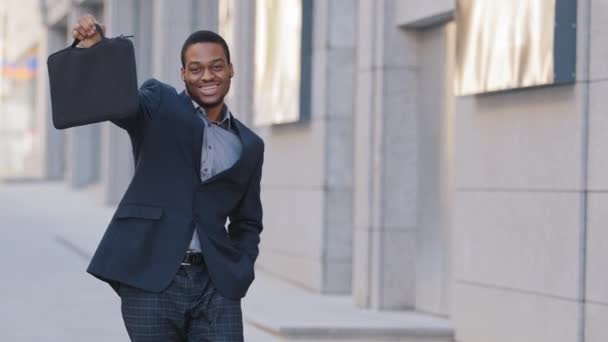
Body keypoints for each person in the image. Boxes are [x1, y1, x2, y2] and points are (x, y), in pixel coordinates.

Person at [71, 14, 264, 341]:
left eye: (216, 66)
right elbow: (121, 106)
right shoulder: (159, 104)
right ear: (183, 74)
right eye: (196, 68)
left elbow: (247, 221)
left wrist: (241, 268)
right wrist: (98, 51)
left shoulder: (249, 145)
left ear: (231, 69)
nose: (207, 76)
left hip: (216, 284)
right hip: (153, 280)